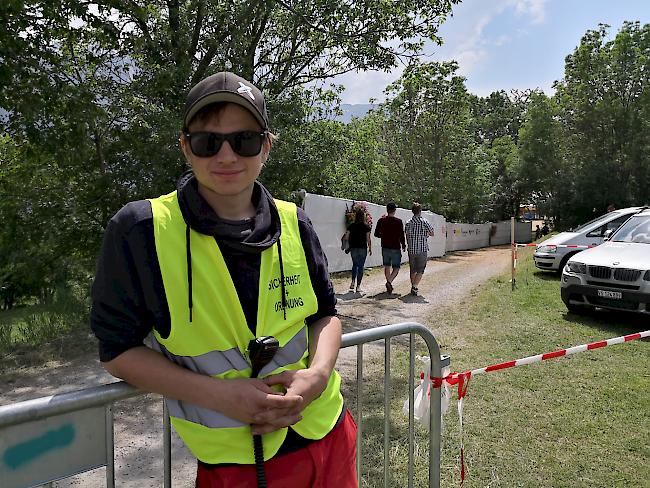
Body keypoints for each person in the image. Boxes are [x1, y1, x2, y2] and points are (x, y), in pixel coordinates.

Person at [90, 72, 356, 487]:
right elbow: (117, 351)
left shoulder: (294, 222)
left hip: (329, 431)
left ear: (266, 146)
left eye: (244, 140)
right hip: (234, 465)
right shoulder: (141, 229)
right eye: (207, 142)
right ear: (185, 147)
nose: (227, 156)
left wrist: (318, 375)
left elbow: (325, 315)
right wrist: (217, 396)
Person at [374, 202, 406, 293]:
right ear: (394, 210)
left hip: (385, 246)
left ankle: (389, 283)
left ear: (387, 210)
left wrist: (383, 236)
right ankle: (389, 282)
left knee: (387, 266)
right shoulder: (398, 221)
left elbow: (376, 234)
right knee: (396, 267)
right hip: (395, 246)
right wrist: (403, 245)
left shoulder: (381, 221)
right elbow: (401, 235)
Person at [404, 203, 434, 296]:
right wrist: (426, 234)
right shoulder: (424, 221)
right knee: (421, 269)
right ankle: (415, 286)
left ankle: (413, 286)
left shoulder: (408, 222)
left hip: (412, 249)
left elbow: (407, 235)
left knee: (412, 269)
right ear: (420, 211)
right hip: (422, 249)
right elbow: (432, 232)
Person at [344, 208, 372, 294]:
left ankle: (352, 282)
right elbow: (368, 239)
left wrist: (347, 244)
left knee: (355, 265)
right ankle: (358, 286)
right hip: (363, 248)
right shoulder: (366, 227)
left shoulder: (351, 226)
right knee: (361, 267)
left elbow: (346, 237)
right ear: (363, 217)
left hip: (354, 248)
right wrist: (370, 248)